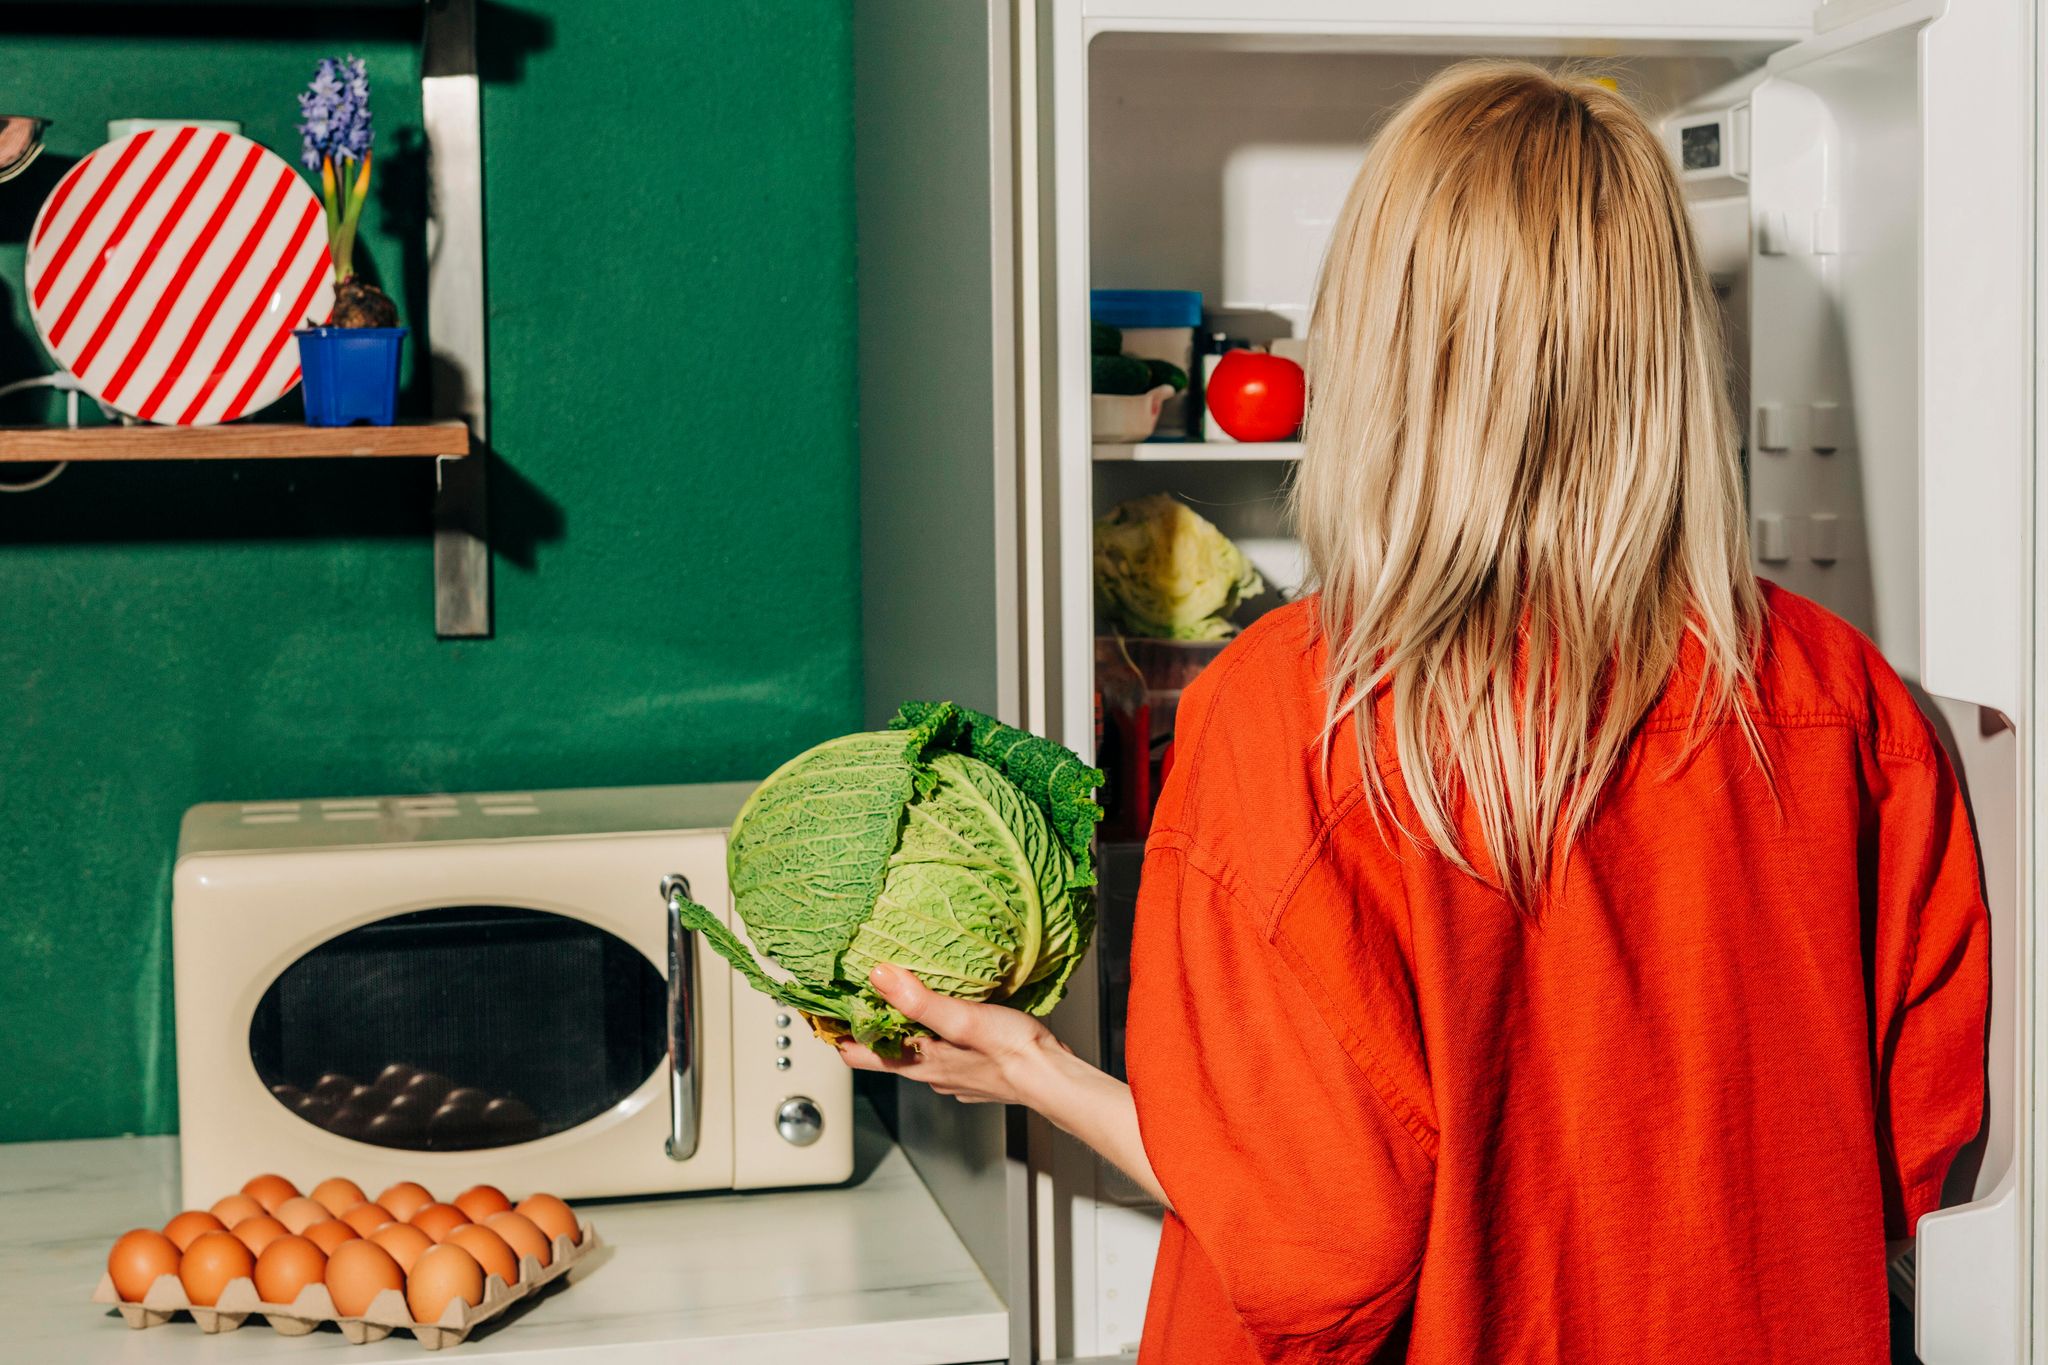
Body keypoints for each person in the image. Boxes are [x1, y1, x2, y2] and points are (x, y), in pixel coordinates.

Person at [837, 61, 1990, 1363]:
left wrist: (1041, 1073)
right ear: (1672, 348)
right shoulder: (1846, 699)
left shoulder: (1290, 718)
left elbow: (1317, 1257)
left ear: (1379, 349)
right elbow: (1918, 1152)